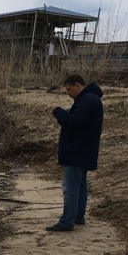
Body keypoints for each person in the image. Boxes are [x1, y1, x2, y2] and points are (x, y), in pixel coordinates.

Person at [46, 74, 104, 232]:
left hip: (77, 150)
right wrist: (60, 116)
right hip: (83, 150)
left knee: (70, 186)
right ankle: (78, 217)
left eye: (69, 89)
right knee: (80, 185)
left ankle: (66, 222)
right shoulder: (89, 99)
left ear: (78, 85)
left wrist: (58, 111)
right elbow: (76, 121)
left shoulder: (88, 99)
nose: (68, 93)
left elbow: (75, 121)